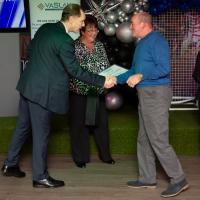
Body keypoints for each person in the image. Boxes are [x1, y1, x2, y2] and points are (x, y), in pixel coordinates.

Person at [1, 4, 116, 188]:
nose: (82, 25)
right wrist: (102, 81)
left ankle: (10, 164)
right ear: (70, 19)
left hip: (27, 86)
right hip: (41, 92)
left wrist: (49, 68)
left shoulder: (46, 28)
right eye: (80, 21)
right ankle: (40, 177)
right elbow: (75, 70)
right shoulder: (65, 40)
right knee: (41, 134)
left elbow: (31, 51)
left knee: (22, 127)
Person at [116, 12, 189, 198]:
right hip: (145, 94)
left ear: (143, 24)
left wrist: (141, 76)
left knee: (157, 139)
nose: (130, 27)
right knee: (144, 139)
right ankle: (147, 178)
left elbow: (164, 69)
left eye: (132, 24)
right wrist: (113, 78)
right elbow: (134, 70)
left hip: (156, 94)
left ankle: (179, 178)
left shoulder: (157, 40)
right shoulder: (141, 44)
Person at [69, 15, 115, 168]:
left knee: (101, 125)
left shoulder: (100, 46)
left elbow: (106, 67)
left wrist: (110, 78)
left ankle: (106, 156)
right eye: (90, 30)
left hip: (97, 92)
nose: (94, 33)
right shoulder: (73, 46)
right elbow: (73, 71)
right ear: (82, 31)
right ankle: (80, 158)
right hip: (79, 92)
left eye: (95, 30)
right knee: (79, 125)